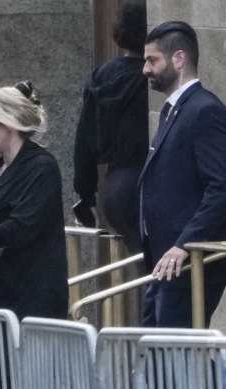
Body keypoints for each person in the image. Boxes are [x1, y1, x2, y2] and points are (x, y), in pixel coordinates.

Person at [139, 21, 226, 328]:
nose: (145, 69)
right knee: (158, 352)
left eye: (152, 60)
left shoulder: (206, 110)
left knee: (176, 357)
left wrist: (184, 244)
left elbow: (221, 190)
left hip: (191, 263)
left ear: (179, 59)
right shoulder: (174, 110)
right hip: (167, 262)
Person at [0, 81, 68, 321]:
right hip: (0, 293)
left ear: (8, 121)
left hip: (34, 296)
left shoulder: (42, 167)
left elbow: (22, 227)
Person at [73, 0, 148, 253]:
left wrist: (85, 194)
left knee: (142, 267)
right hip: (144, 182)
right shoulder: (151, 81)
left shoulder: (100, 76)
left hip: (113, 185)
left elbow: (83, 141)